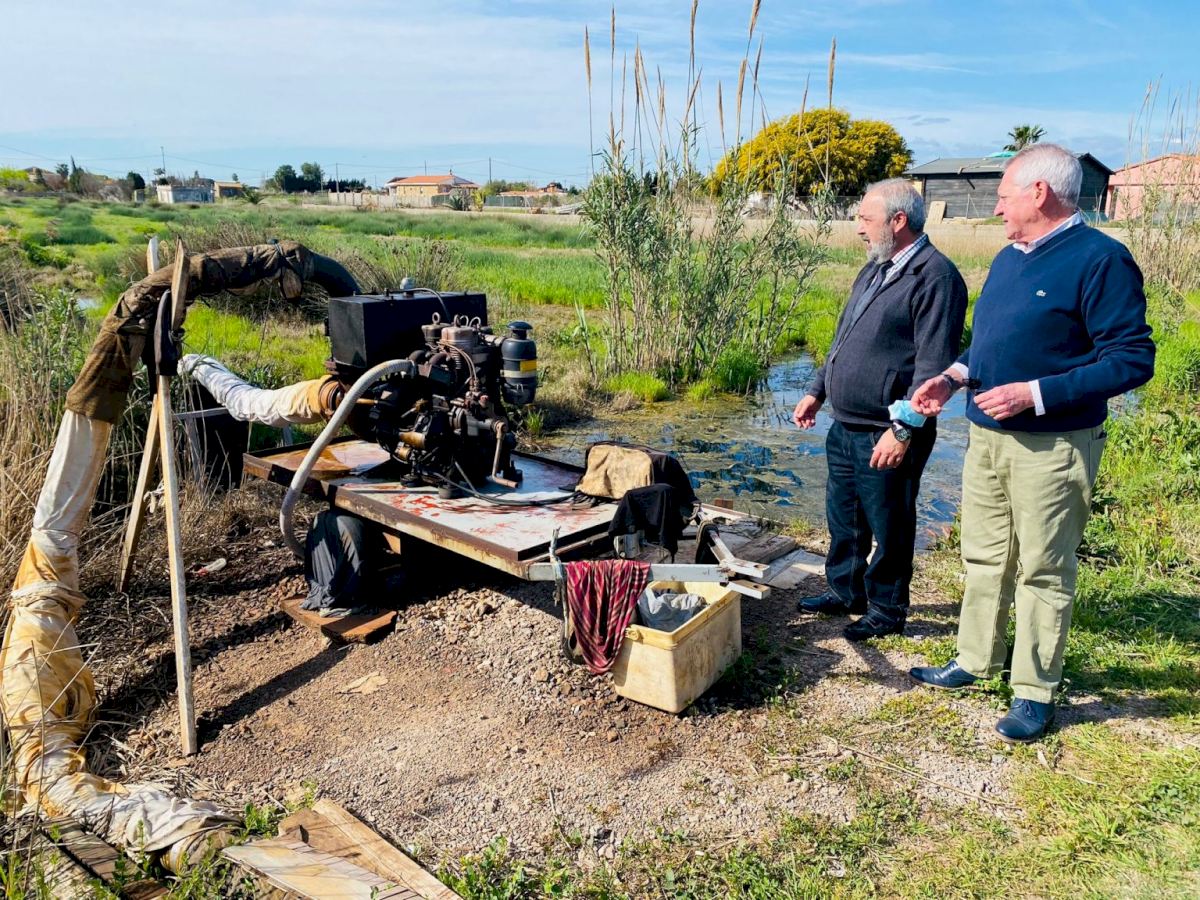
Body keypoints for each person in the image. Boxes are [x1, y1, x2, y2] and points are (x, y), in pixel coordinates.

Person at [907, 144, 1155, 743]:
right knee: (984, 556)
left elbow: (1132, 359)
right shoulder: (1008, 258)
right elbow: (990, 345)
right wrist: (953, 377)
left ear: (1039, 193)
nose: (996, 208)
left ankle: (1034, 691)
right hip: (987, 438)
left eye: (1003, 196)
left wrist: (1035, 395)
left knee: (1044, 568)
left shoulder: (1101, 259)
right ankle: (975, 658)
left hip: (1054, 445)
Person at [793, 179, 967, 642]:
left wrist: (903, 429)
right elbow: (842, 337)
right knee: (844, 516)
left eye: (865, 219)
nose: (858, 228)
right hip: (846, 424)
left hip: (888, 429)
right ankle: (845, 591)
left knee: (890, 521)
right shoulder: (875, 268)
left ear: (898, 221)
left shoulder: (936, 278)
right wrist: (817, 390)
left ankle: (887, 610)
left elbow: (932, 367)